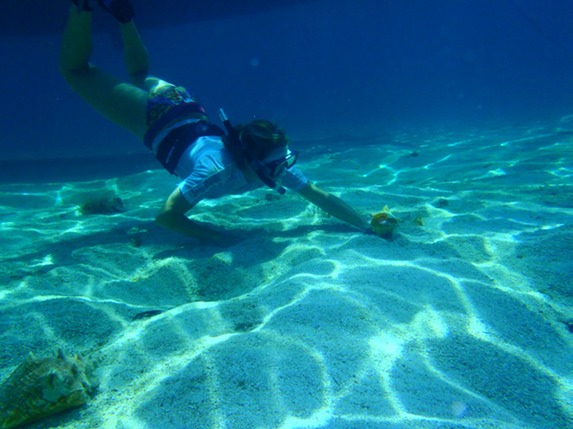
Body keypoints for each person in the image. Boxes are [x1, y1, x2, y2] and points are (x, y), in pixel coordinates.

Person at [60, 0, 385, 246]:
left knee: (140, 75)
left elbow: (319, 195)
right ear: (250, 160)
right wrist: (221, 239)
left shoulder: (269, 162)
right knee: (77, 71)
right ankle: (82, 6)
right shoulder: (215, 171)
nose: (283, 170)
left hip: (183, 107)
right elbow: (167, 217)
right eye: (277, 164)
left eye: (285, 159)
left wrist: (366, 224)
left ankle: (123, 15)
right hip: (158, 117)